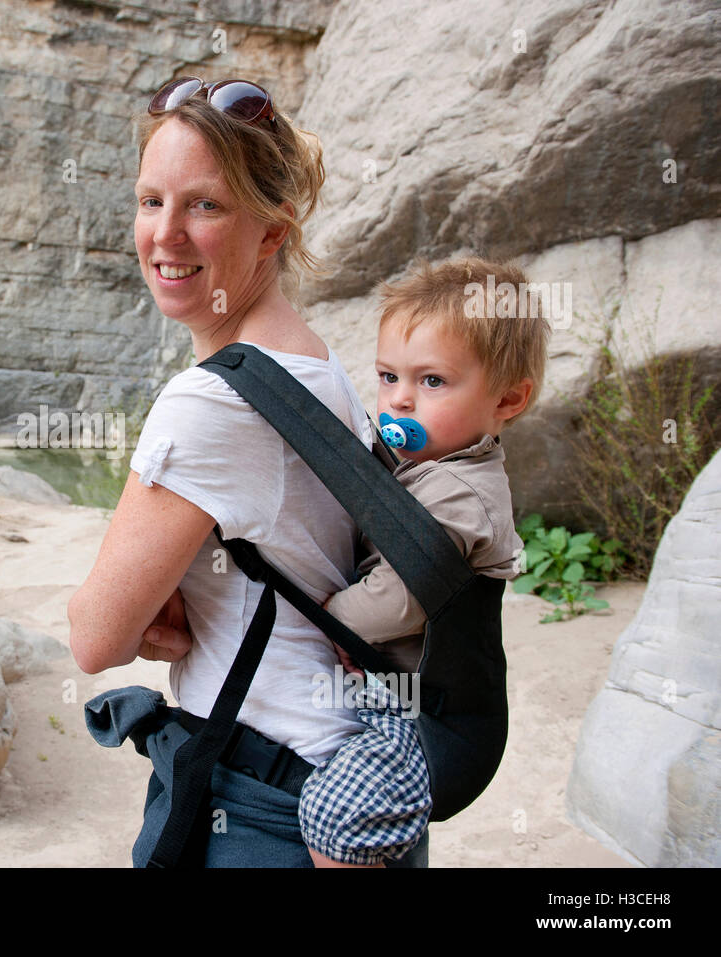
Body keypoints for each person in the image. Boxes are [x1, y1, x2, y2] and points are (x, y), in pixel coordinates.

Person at [67, 76, 426, 867]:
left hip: (267, 806)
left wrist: (133, 598)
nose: (165, 234)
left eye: (205, 205)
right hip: (354, 787)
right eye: (150, 200)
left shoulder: (211, 403)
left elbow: (95, 637)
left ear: (272, 233)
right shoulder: (316, 367)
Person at [297, 257, 550, 868]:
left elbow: (398, 596)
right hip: (398, 695)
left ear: (508, 398)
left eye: (432, 382)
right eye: (388, 376)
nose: (401, 400)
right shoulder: (425, 464)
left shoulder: (461, 494)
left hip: (433, 723)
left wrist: (330, 614)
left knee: (335, 817)